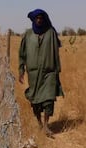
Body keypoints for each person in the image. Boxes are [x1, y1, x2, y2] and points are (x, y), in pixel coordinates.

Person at [19, 9, 64, 138]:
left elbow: (56, 52)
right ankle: (39, 123)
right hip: (33, 74)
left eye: (41, 18)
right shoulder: (27, 34)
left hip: (49, 73)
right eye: (37, 18)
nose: (39, 20)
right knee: (36, 101)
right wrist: (21, 69)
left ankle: (46, 126)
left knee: (49, 99)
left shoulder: (51, 33)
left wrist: (56, 70)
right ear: (33, 20)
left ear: (44, 19)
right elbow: (22, 54)